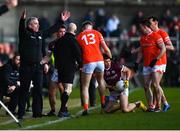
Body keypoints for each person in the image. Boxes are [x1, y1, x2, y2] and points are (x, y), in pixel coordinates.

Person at [18, 9, 70, 119]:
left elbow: (51, 30)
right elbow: (21, 29)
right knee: (24, 90)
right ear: (30, 25)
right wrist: (22, 20)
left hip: (38, 67)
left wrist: (61, 21)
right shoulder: (25, 34)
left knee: (38, 90)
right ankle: (21, 113)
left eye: (38, 23)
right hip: (26, 67)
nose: (38, 25)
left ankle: (37, 113)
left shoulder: (40, 34)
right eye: (36, 23)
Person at [77, 20, 112, 115]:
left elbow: (78, 52)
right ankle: (103, 102)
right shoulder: (97, 33)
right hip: (100, 60)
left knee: (85, 86)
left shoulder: (79, 36)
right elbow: (105, 48)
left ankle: (85, 109)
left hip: (88, 61)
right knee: (101, 81)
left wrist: (79, 64)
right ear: (91, 27)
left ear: (83, 28)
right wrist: (111, 58)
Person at [135, 19, 166, 112]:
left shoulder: (156, 36)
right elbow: (141, 52)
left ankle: (158, 107)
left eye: (140, 28)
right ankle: (151, 106)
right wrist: (137, 62)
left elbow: (163, 49)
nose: (139, 30)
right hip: (146, 64)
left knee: (155, 85)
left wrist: (156, 59)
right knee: (146, 86)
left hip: (156, 64)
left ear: (145, 27)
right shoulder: (142, 38)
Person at [147, 16, 175, 112]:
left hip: (161, 61)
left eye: (150, 23)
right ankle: (162, 104)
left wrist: (161, 45)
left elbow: (171, 47)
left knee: (155, 84)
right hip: (153, 61)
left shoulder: (162, 33)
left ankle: (159, 105)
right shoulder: (150, 34)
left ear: (156, 22)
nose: (149, 26)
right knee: (155, 85)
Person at [55, 23, 82, 117]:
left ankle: (64, 109)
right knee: (68, 89)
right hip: (69, 67)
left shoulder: (59, 40)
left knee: (64, 89)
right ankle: (62, 110)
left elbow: (55, 54)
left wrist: (57, 65)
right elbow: (78, 54)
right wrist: (80, 64)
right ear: (75, 31)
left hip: (60, 67)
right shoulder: (73, 40)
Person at [44, 25, 66, 116]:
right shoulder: (52, 44)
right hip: (56, 70)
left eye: (64, 32)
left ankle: (64, 108)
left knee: (63, 90)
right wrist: (44, 63)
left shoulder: (68, 42)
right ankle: (53, 110)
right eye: (60, 32)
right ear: (56, 33)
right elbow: (48, 56)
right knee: (51, 90)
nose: (62, 33)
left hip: (66, 69)